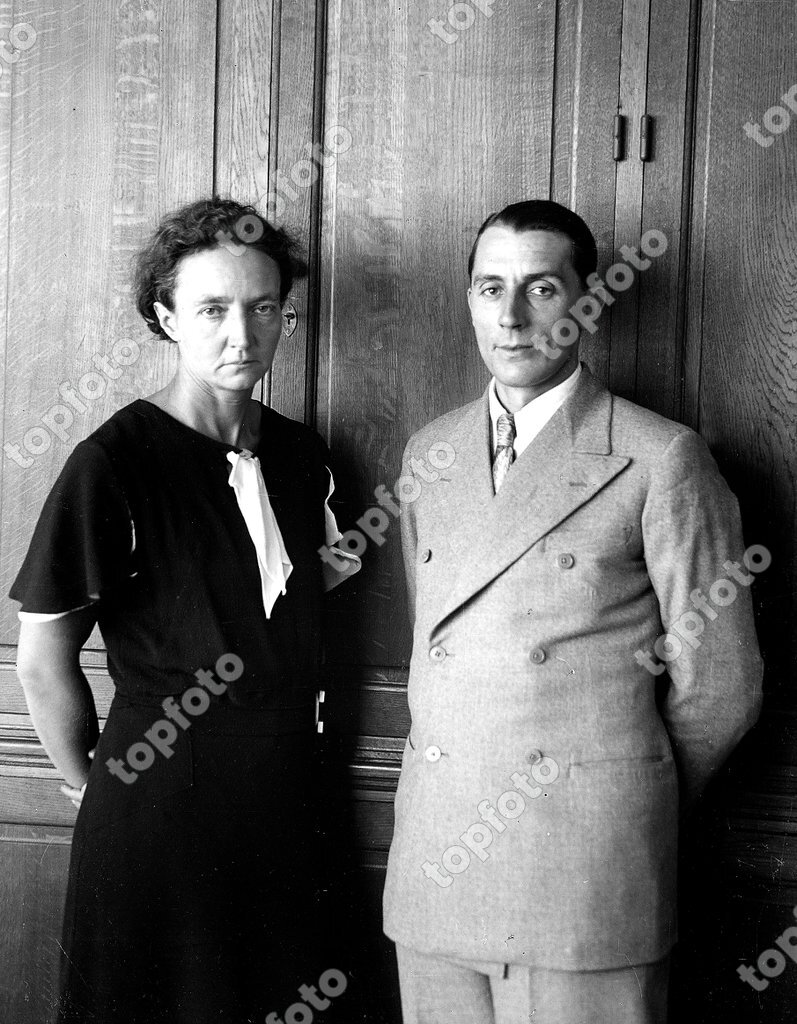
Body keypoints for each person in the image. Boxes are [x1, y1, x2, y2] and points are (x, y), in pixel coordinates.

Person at [382, 200, 763, 1023]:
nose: (512, 318)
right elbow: (441, 645)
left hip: (582, 870)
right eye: (490, 289)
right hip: (437, 860)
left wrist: (613, 796)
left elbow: (721, 684)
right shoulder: (429, 452)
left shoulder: (659, 456)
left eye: (541, 289)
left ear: (586, 301)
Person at [11, 197, 359, 1023]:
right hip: (157, 808)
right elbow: (41, 659)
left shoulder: (304, 455)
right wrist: (95, 787)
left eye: (263, 308)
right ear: (166, 318)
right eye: (212, 310)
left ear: (287, 317)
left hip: (286, 800)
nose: (242, 335)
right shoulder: (112, 462)